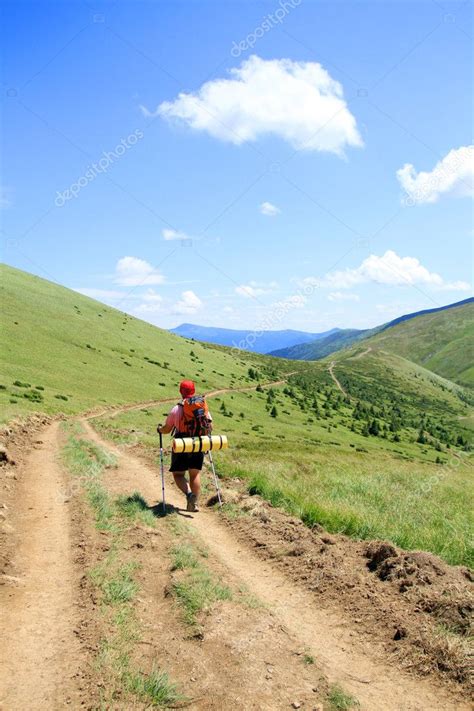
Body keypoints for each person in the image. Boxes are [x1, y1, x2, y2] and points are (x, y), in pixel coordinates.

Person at [157, 380, 212, 512]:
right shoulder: (201, 406)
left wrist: (160, 430)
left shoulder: (177, 408)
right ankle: (195, 504)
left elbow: (167, 429)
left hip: (181, 443)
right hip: (198, 443)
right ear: (193, 391)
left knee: (178, 474)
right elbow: (210, 426)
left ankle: (189, 495)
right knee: (195, 474)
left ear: (181, 391)